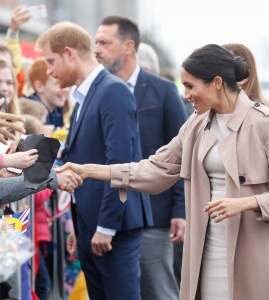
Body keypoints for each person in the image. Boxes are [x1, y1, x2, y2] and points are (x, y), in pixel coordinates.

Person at [57, 44, 269, 300]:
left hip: (254, 254)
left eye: (191, 86)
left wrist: (248, 203)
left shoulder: (262, 124)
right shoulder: (195, 124)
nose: (186, 94)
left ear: (216, 82)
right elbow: (155, 168)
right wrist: (89, 170)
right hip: (205, 251)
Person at [36, 21, 153, 300]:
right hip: (92, 226)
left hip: (113, 229)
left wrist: (105, 226)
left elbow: (120, 165)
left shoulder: (112, 91)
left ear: (69, 53)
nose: (49, 71)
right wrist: (81, 226)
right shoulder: (86, 96)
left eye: (51, 61)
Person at [94, 15, 187, 299]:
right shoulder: (97, 93)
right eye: (95, 42)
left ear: (128, 46)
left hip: (155, 217)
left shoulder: (163, 90)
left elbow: (183, 153)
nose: (96, 49)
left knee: (158, 291)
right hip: (109, 218)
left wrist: (180, 210)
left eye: (104, 42)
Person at [27, 57, 69, 128]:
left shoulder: (57, 112)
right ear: (39, 86)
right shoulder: (31, 117)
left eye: (66, 83)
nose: (65, 89)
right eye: (58, 83)